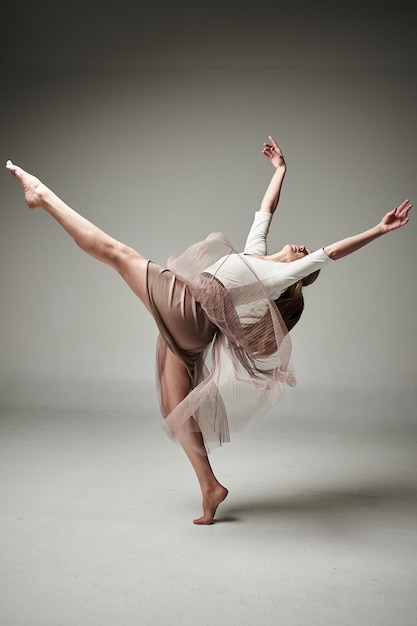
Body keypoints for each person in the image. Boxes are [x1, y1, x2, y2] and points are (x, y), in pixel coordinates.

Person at [6, 136, 412, 525]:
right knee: (177, 412)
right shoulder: (255, 253)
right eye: (303, 250)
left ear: (296, 277)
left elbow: (331, 253)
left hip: (189, 308)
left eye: (304, 259)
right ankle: (210, 487)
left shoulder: (276, 277)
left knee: (118, 254)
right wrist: (280, 169)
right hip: (191, 332)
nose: (304, 249)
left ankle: (42, 196)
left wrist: (378, 229)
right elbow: (265, 210)